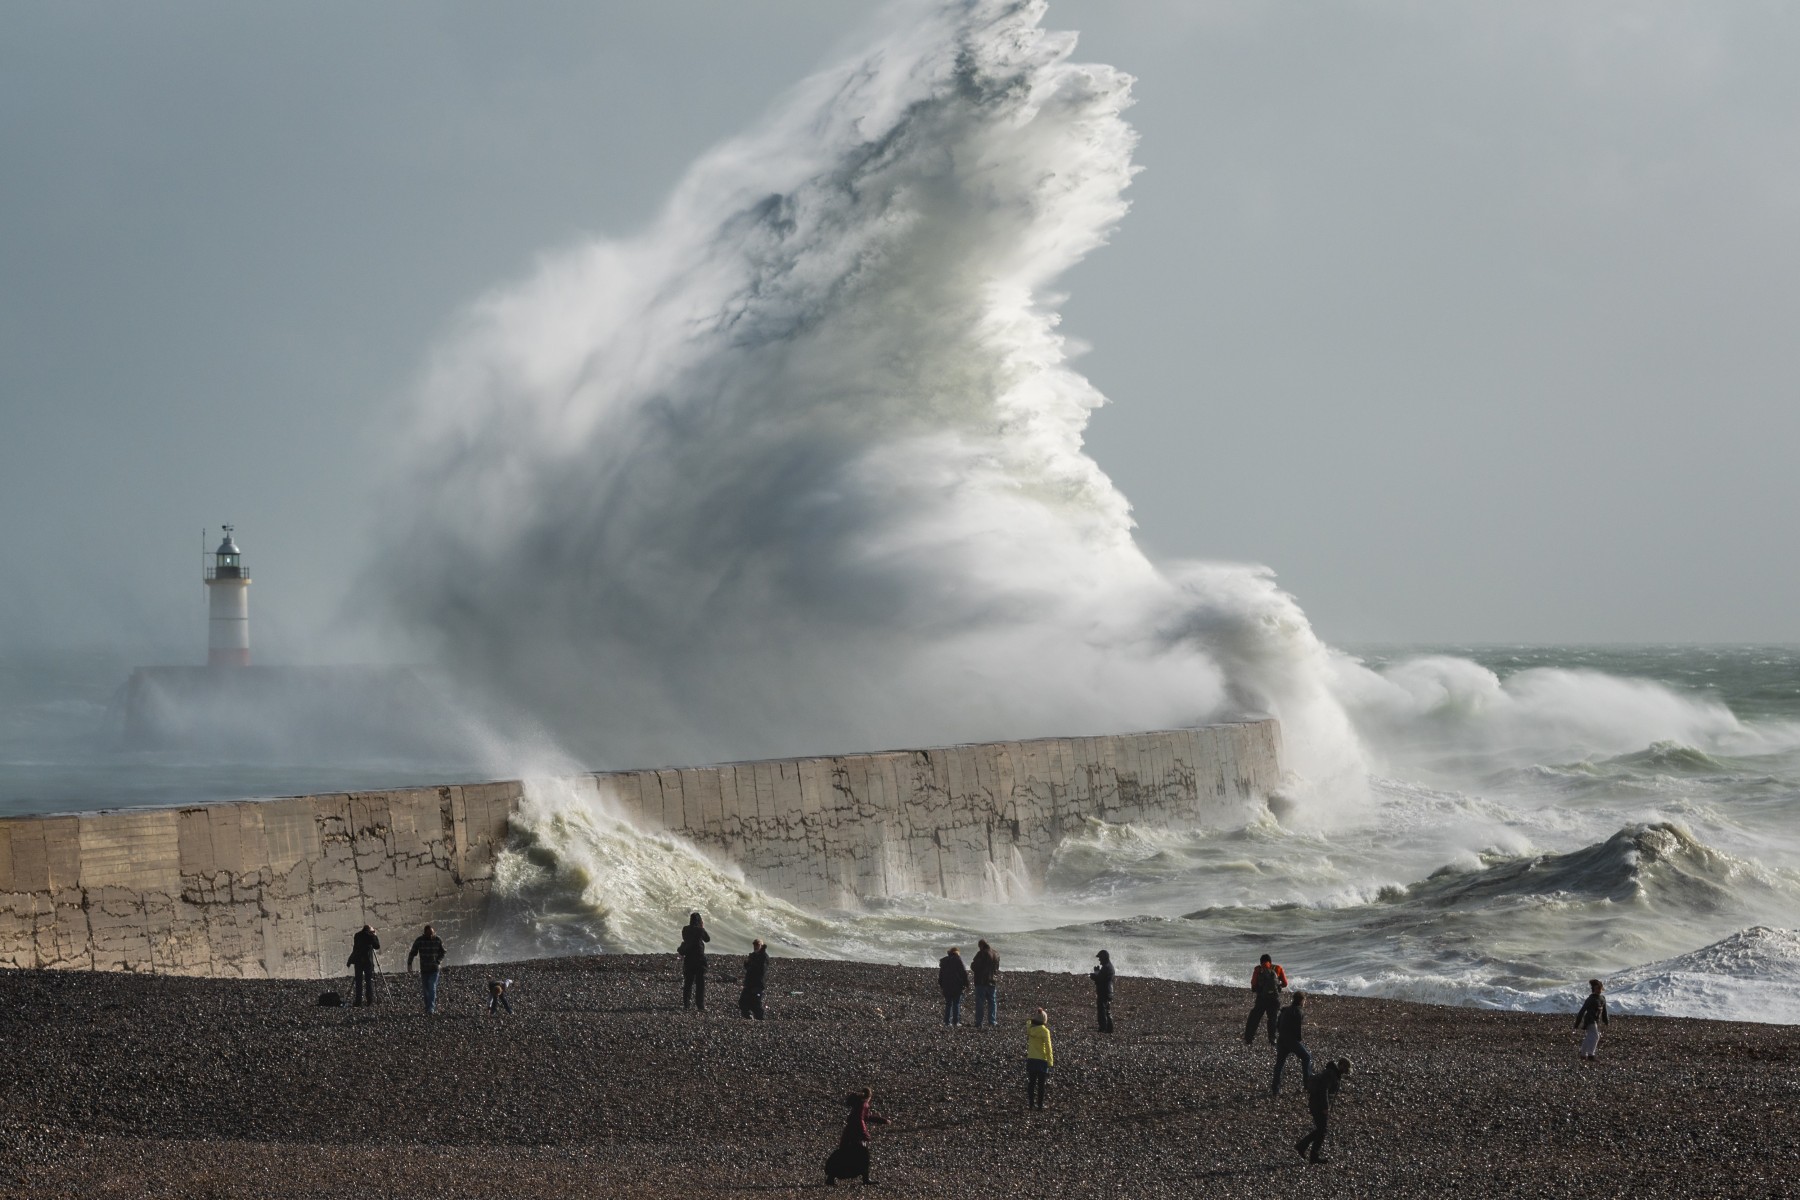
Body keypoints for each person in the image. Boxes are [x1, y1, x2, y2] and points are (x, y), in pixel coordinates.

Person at [825, 1087, 889, 1186]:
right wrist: (864, 1134)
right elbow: (860, 1119)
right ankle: (865, 1180)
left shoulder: (859, 1104)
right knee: (863, 1156)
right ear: (869, 1096)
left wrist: (882, 1120)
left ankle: (831, 1178)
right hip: (857, 1134)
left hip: (850, 1133)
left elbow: (865, 1117)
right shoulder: (864, 1104)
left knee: (845, 1154)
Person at [1295, 1056, 1352, 1165]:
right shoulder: (1331, 1074)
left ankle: (1306, 1149)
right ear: (1341, 1065)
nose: (1345, 1072)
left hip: (1317, 1104)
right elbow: (1323, 1090)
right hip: (1318, 1105)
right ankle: (1308, 1151)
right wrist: (1325, 1107)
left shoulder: (1333, 1073)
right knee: (1322, 1130)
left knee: (1321, 1130)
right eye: (1345, 1069)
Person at [1272, 991, 1311, 1096]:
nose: (1304, 1002)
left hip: (1281, 1039)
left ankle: (1275, 1089)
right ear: (1302, 1000)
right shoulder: (1298, 1011)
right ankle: (1308, 1084)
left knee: (1280, 1064)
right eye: (1304, 1000)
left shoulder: (1285, 1010)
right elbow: (1297, 1028)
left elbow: (1278, 1025)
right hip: (1291, 1040)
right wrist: (1298, 1039)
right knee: (1306, 1057)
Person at [1244, 953, 1287, 1046]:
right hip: (1274, 999)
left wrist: (1258, 989)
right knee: (1272, 1018)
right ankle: (1272, 1039)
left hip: (1261, 999)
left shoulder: (1258, 969)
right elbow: (1285, 983)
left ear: (1260, 962)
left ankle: (1249, 1039)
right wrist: (1277, 987)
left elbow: (1254, 984)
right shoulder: (1278, 968)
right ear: (1271, 962)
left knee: (1254, 1018)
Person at [406, 924, 446, 1014]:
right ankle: (427, 1006)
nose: (431, 935)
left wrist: (438, 961)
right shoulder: (419, 941)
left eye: (432, 933)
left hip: (434, 969)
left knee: (432, 987)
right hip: (424, 969)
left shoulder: (437, 939)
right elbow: (412, 952)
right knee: (425, 990)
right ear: (425, 933)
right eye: (429, 934)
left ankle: (431, 1008)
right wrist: (409, 964)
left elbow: (443, 951)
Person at [677, 912, 711, 1011]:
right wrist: (702, 927)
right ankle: (700, 1006)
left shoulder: (685, 929)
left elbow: (685, 939)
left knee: (688, 982)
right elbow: (707, 939)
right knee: (700, 984)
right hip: (699, 959)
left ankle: (686, 1004)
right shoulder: (700, 930)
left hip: (689, 959)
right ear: (700, 921)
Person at [1574, 978, 1609, 1064]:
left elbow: (1604, 1011)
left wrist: (1606, 1020)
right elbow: (1582, 1011)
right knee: (1596, 1036)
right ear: (1593, 989)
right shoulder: (1590, 999)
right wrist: (1577, 1023)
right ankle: (1591, 1055)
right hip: (1589, 1019)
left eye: (1600, 988)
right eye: (1597, 988)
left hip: (1596, 1020)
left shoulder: (1602, 998)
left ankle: (1582, 1054)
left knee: (1589, 1036)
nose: (1599, 990)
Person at [1026, 1007, 1054, 1109]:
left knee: (1031, 1082)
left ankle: (1031, 1104)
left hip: (1031, 1058)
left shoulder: (1030, 1029)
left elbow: (1028, 1022)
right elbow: (1048, 1047)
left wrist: (1031, 1020)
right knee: (1041, 1084)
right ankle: (1040, 1105)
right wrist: (1050, 1061)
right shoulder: (1045, 1031)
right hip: (1042, 1060)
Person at [346, 924, 380, 1007]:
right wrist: (375, 935)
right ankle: (369, 1001)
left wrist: (350, 960)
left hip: (358, 962)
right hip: (368, 962)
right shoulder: (370, 936)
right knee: (368, 982)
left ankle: (358, 1001)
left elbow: (355, 948)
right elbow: (377, 946)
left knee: (358, 982)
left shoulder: (357, 936)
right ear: (369, 930)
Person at [971, 939, 1000, 1028]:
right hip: (992, 981)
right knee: (992, 1002)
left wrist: (973, 965)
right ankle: (992, 1021)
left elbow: (974, 966)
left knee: (980, 1002)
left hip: (981, 981)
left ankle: (979, 1022)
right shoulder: (996, 954)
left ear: (981, 945)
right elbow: (997, 968)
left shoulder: (981, 954)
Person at [938, 946, 970, 1026]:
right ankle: (956, 1022)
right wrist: (966, 984)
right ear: (957, 952)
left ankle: (947, 1022)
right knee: (956, 1004)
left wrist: (941, 984)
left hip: (946, 986)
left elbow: (941, 975)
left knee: (948, 1004)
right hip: (957, 986)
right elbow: (963, 973)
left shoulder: (944, 961)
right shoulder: (958, 960)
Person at [739, 939, 769, 1020]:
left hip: (758, 984)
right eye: (754, 945)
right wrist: (747, 963)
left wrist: (752, 964)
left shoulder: (764, 956)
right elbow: (748, 967)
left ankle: (761, 1021)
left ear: (761, 946)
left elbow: (761, 970)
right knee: (742, 1002)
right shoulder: (752, 955)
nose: (755, 947)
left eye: (757, 945)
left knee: (756, 1004)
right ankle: (748, 1017)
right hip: (749, 982)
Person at [1091, 949, 1115, 1032]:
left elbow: (1100, 979)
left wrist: (1094, 975)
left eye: (1100, 958)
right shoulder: (1108, 966)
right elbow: (1102, 978)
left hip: (1104, 992)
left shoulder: (1106, 967)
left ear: (1104, 958)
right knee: (1106, 1010)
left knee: (1102, 1010)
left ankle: (1103, 1028)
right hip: (1108, 991)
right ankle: (1109, 1029)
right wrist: (1097, 972)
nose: (1099, 960)